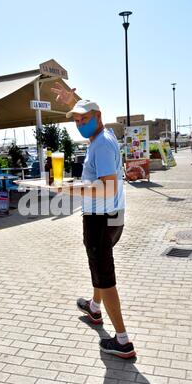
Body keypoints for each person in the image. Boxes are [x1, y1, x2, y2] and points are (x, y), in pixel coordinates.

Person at [51, 83, 136, 359]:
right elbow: (88, 110)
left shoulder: (100, 145)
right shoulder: (106, 136)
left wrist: (69, 189)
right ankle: (94, 307)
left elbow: (108, 186)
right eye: (76, 121)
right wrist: (73, 101)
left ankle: (123, 341)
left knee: (105, 276)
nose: (79, 124)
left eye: (83, 120)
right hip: (113, 216)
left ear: (98, 117)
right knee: (99, 267)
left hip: (100, 220)